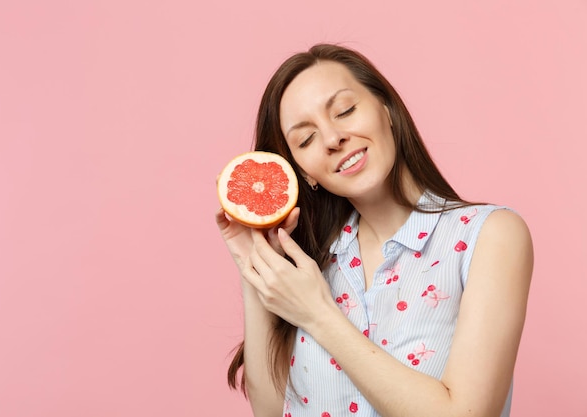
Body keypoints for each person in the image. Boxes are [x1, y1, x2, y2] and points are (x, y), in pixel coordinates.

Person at [215, 43, 533, 417]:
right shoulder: (313, 265)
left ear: (387, 109)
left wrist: (318, 313)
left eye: (345, 111)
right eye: (306, 139)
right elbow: (271, 411)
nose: (333, 139)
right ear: (303, 173)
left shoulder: (488, 236)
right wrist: (255, 268)